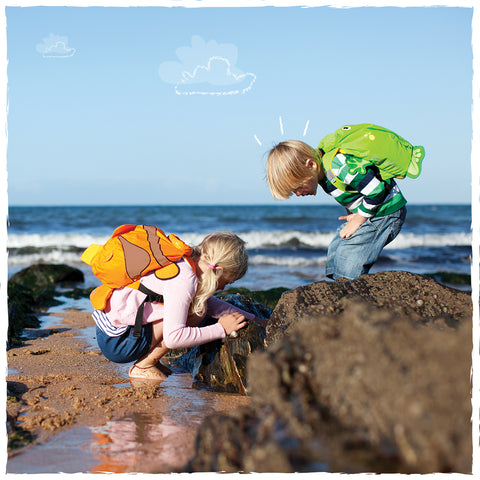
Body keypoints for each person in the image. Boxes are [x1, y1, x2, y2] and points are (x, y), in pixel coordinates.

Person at [93, 231, 264, 381]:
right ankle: (144, 365)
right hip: (117, 343)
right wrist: (221, 328)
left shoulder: (186, 262)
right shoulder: (184, 281)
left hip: (111, 331)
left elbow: (213, 305)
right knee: (197, 312)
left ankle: (150, 360)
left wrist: (256, 319)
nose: (222, 288)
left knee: (199, 306)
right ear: (217, 269)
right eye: (226, 282)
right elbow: (175, 337)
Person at [266, 135, 407, 280]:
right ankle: (338, 284)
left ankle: (349, 288)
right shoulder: (322, 175)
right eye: (293, 192)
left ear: (311, 165)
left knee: (349, 252)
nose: (298, 193)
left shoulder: (338, 166)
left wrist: (359, 218)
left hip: (387, 211)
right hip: (372, 211)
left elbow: (376, 189)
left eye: (298, 187)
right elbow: (351, 193)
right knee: (336, 247)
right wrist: (354, 214)